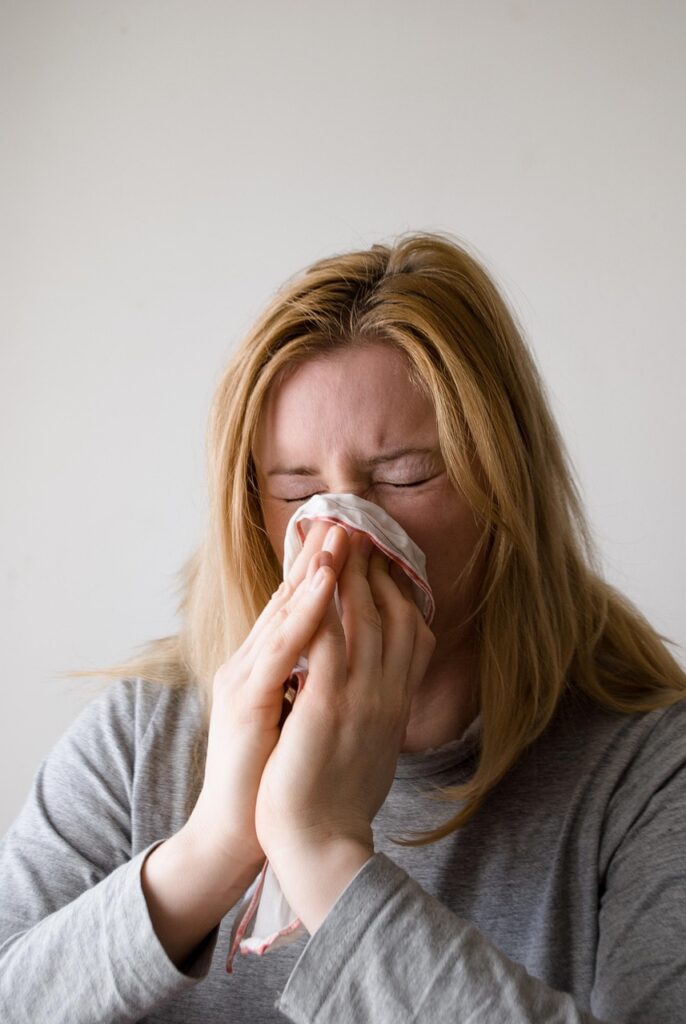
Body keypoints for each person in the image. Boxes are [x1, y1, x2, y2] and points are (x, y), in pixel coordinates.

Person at [1, 232, 685, 1024]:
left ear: (505, 490)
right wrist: (215, 849)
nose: (340, 533)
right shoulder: (140, 742)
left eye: (404, 477)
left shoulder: (649, 774)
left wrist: (323, 853)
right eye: (296, 492)